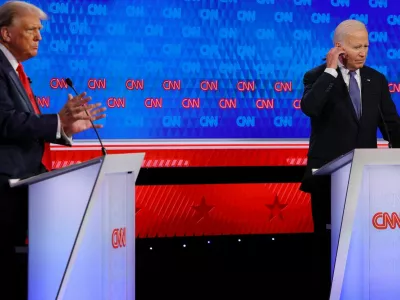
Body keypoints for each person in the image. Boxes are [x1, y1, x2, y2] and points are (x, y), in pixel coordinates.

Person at [0, 1, 106, 298]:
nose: (39, 37)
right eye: (32, 29)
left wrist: (64, 128)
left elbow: (25, 124)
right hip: (5, 188)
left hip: (21, 187)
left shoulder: (14, 70)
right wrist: (56, 121)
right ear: (6, 33)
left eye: (40, 31)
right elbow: (6, 121)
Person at [300, 19, 400, 298]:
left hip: (366, 181)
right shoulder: (316, 76)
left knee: (364, 245)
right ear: (339, 48)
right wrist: (331, 72)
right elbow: (310, 107)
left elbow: (391, 124)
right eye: (356, 46)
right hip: (328, 180)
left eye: (366, 45)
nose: (363, 52)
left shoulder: (376, 80)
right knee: (327, 246)